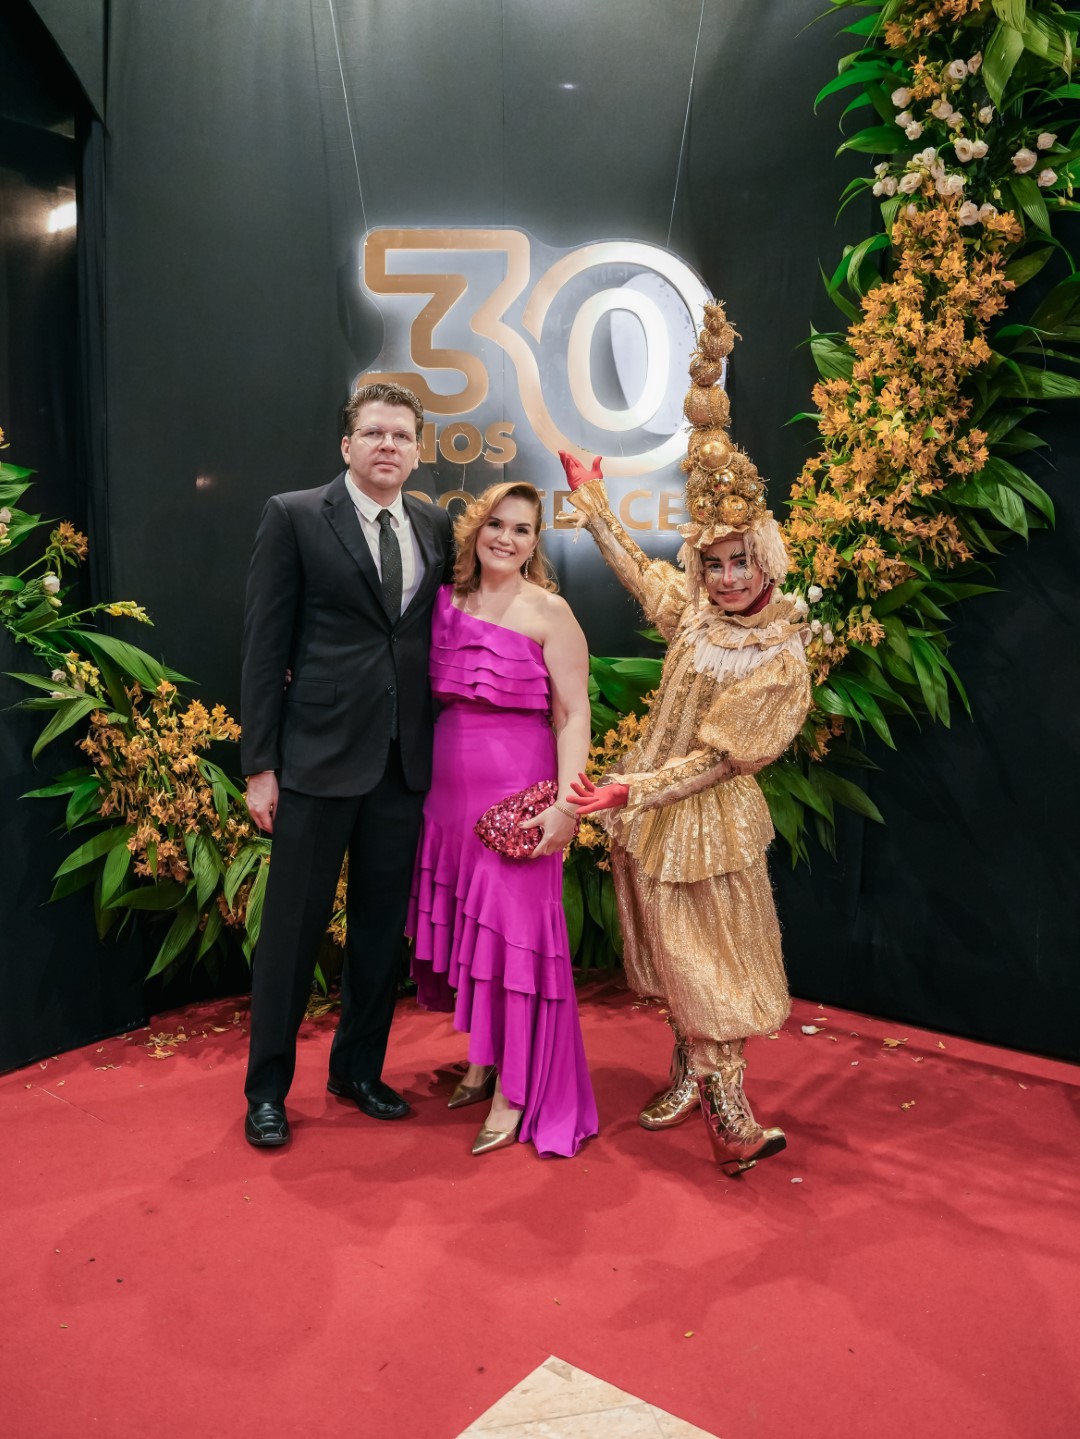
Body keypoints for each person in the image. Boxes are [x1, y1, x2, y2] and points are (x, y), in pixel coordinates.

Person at [560, 299, 811, 1175]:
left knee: (715, 960)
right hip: (649, 812)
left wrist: (630, 788)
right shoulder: (698, 616)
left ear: (765, 554)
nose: (729, 577)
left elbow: (719, 759)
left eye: (741, 559)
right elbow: (642, 576)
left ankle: (730, 1112)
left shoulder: (779, 652)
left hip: (705, 816)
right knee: (671, 959)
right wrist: (592, 500)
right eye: (715, 561)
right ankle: (687, 1072)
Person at [240, 381, 453, 1147]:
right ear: (347, 445)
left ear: (417, 450)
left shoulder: (434, 524)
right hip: (316, 762)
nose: (387, 445)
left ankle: (357, 1070)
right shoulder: (295, 515)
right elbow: (264, 646)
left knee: (377, 934)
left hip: (402, 765)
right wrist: (259, 764)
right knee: (291, 937)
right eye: (374, 433)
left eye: (401, 435)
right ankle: (267, 1091)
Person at [406, 481, 598, 1157]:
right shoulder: (440, 603)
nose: (506, 538)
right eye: (496, 524)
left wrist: (567, 803)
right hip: (445, 798)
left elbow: (574, 714)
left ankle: (515, 1090)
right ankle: (485, 1059)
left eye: (522, 529)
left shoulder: (550, 611)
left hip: (518, 799)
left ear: (535, 542)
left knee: (516, 941)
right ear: (475, 529)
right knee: (477, 938)